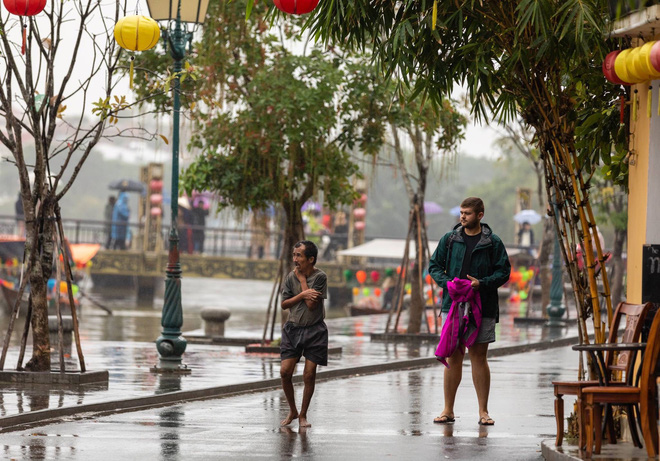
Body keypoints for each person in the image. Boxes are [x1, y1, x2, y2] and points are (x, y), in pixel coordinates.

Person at [428, 197, 511, 427]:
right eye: (461, 213)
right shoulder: (450, 239)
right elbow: (434, 265)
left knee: (479, 357)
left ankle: (483, 412)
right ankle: (448, 410)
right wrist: (448, 284)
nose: (462, 217)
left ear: (480, 215)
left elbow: (504, 271)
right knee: (453, 356)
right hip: (452, 305)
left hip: (482, 305)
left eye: (467, 213)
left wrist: (481, 283)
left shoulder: (492, 242)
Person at [279, 240, 328, 428]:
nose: (295, 259)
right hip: (292, 329)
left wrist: (301, 281)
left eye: (299, 255)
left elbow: (311, 304)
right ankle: (292, 410)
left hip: (315, 330)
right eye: (294, 255)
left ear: (311, 259)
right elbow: (284, 304)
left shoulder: (320, 277)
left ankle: (303, 415)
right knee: (285, 372)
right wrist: (300, 294)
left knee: (309, 374)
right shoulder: (289, 277)